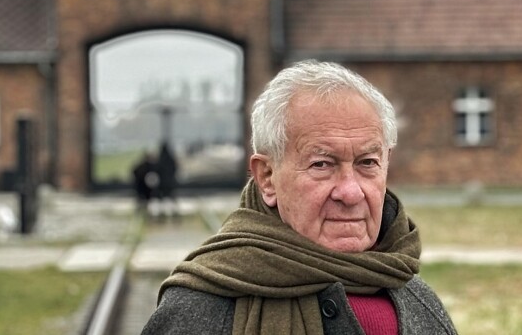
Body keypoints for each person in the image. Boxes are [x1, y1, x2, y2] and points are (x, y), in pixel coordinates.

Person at [142, 60, 457, 335]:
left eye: (367, 163)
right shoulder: (199, 310)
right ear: (267, 177)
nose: (350, 192)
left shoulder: (420, 303)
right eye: (321, 164)